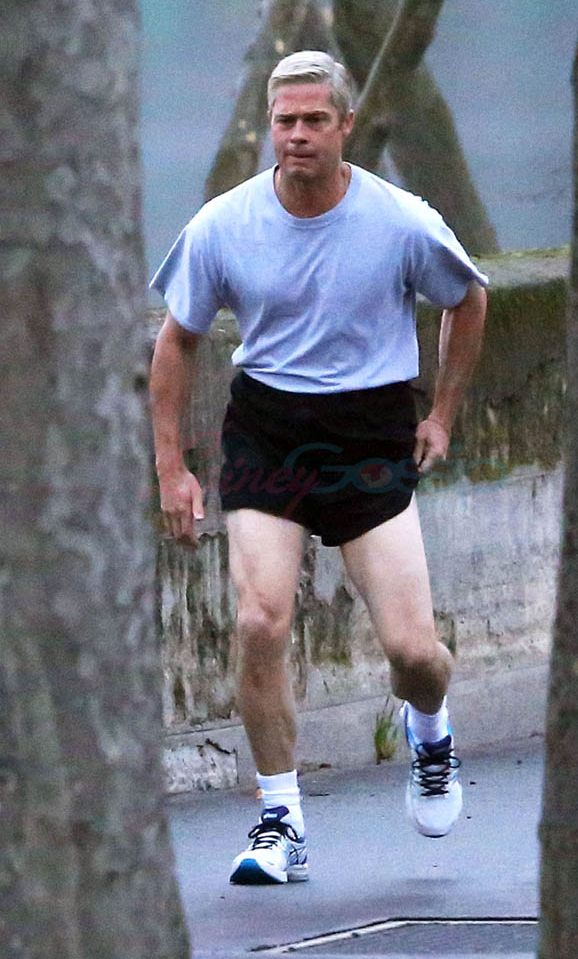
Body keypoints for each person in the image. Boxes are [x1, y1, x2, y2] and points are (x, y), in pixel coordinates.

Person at [149, 50, 487, 886]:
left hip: (369, 434)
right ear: (270, 127)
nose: (296, 135)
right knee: (259, 621)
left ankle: (430, 732)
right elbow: (176, 340)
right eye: (284, 121)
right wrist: (171, 467)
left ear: (345, 126)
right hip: (268, 431)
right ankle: (281, 820)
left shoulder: (399, 220)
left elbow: (467, 297)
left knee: (413, 653)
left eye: (313, 120)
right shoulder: (223, 224)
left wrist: (441, 415)